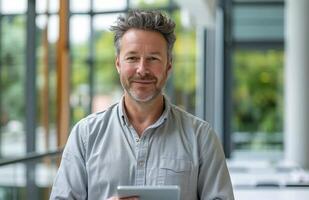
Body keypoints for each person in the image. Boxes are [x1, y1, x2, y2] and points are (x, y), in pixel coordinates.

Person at [50, 9, 234, 200]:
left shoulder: (201, 137)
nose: (142, 69)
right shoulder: (85, 135)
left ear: (168, 66)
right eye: (132, 58)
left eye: (153, 59)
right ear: (118, 64)